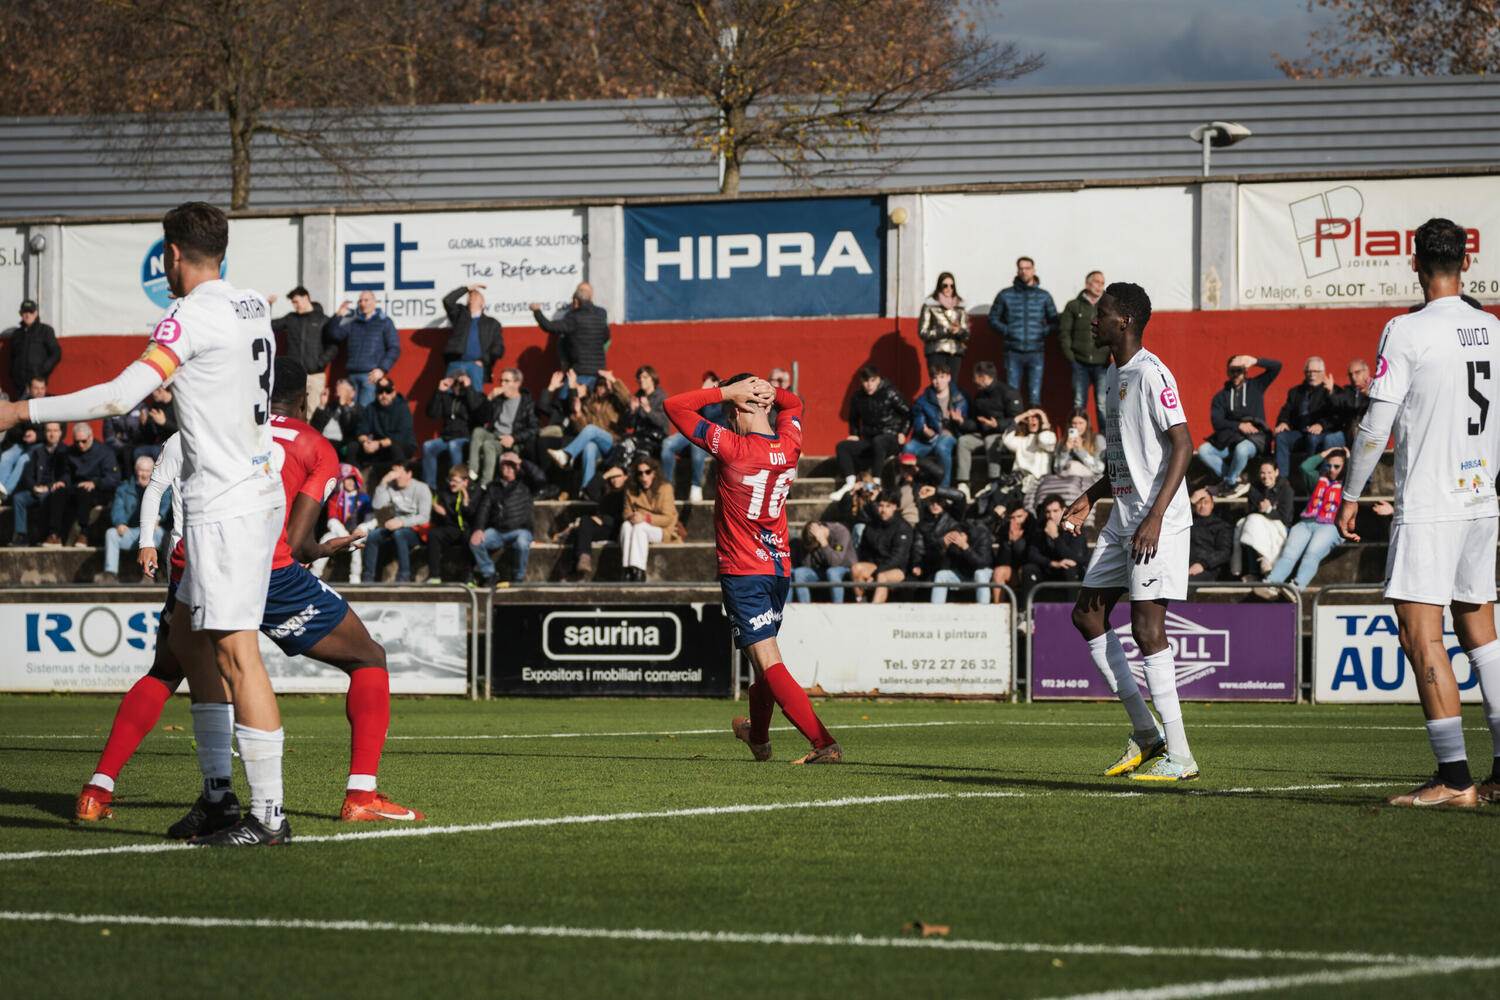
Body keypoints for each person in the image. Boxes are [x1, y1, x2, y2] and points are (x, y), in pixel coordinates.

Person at [0, 202, 290, 846]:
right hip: (244, 491)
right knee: (187, 640)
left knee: (237, 653)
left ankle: (270, 816)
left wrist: (21, 411)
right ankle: (218, 796)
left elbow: (118, 396)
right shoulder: (250, 304)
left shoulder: (188, 316)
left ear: (173, 255)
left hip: (226, 503)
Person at [73, 363, 422, 828]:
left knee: (165, 672)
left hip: (195, 562)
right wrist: (329, 547)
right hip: (267, 571)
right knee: (368, 658)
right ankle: (358, 796)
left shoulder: (219, 425)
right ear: (304, 401)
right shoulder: (315, 445)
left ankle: (97, 791)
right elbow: (298, 545)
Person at [1337, 219, 1500, 807]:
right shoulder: (1493, 328)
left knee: (1419, 633)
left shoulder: (1405, 329)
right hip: (1481, 499)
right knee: (1481, 633)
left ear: (1414, 262)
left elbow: (1375, 425)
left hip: (1431, 504)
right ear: (1466, 262)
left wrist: (1350, 494)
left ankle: (1454, 779)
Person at [663, 373, 843, 764]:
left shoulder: (731, 447)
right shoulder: (790, 443)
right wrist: (774, 393)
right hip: (778, 569)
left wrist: (725, 391)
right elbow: (795, 405)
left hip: (744, 570)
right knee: (762, 665)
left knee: (768, 662)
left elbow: (673, 406)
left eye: (730, 407)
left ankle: (823, 742)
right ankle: (757, 738)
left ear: (737, 408)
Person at [1063, 281, 1199, 782]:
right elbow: (1128, 457)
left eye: (1100, 313)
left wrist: (1156, 516)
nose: (1092, 320)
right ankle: (1147, 736)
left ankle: (1181, 756)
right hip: (1123, 517)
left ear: (1124, 321)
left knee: (1147, 630)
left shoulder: (1150, 372)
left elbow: (1183, 445)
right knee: (1087, 615)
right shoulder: (1111, 374)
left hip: (1155, 522)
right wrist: (1091, 495)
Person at [1263, 448, 1347, 590]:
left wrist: (1348, 458)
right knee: (1289, 553)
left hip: (1331, 525)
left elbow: (1357, 473)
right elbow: (1305, 467)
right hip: (1306, 523)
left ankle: (1297, 585)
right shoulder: (1318, 480)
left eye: (1337, 466)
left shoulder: (1349, 484)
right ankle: (1272, 583)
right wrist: (1326, 453)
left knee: (1312, 553)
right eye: (1329, 465)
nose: (1332, 469)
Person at [1198, 354, 1280, 498]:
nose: (1235, 374)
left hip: (1255, 439)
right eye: (1232, 371)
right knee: (1203, 450)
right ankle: (1236, 480)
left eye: (1239, 370)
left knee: (1242, 449)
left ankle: (1229, 483)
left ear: (1245, 371)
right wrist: (1238, 425)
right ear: (1227, 372)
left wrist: (1255, 361)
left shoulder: (1256, 386)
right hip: (1230, 439)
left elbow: (1276, 367)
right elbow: (1217, 422)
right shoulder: (1221, 396)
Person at [831, 364, 910, 500]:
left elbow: (908, 413)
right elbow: (853, 418)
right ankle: (850, 482)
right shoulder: (858, 397)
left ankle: (876, 481)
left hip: (890, 439)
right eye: (866, 381)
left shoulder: (890, 393)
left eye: (872, 380)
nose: (869, 385)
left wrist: (903, 432)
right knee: (842, 446)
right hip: (870, 441)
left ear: (878, 379)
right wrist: (855, 434)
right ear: (861, 382)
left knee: (879, 441)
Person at [987, 256, 1059, 407]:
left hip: (1036, 352)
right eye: (1021, 268)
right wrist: (1008, 331)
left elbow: (1055, 322)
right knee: (1012, 396)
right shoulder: (1005, 294)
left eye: (1027, 268)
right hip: (1012, 352)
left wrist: (1041, 332)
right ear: (1017, 271)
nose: (1024, 271)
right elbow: (992, 319)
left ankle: (1034, 422)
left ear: (1034, 270)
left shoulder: (1044, 296)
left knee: (1034, 397)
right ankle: (1014, 422)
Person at [468, 451, 546, 586]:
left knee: (522, 544)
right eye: (505, 464)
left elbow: (541, 478)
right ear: (500, 467)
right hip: (498, 530)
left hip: (521, 529)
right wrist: (479, 529)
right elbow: (484, 509)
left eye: (511, 465)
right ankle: (489, 574)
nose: (508, 468)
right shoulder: (493, 487)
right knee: (475, 542)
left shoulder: (525, 484)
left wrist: (522, 462)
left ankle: (518, 577)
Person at [954, 360, 1023, 493]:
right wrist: (962, 422)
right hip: (984, 433)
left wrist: (997, 424)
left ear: (984, 377)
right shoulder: (980, 395)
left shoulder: (1008, 392)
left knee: (990, 440)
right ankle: (963, 483)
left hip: (1004, 436)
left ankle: (994, 481)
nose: (973, 381)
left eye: (975, 378)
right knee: (963, 441)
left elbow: (1017, 420)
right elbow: (977, 422)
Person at [98, 454, 170, 583]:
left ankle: (149, 574)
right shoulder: (124, 488)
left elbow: (166, 503)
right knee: (111, 534)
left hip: (153, 531)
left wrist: (158, 517)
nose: (144, 474)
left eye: (148, 471)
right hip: (132, 532)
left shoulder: (160, 486)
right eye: (141, 470)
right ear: (136, 471)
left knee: (156, 532)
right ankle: (110, 574)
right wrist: (120, 522)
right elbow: (117, 508)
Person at [269, 286, 335, 419]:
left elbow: (333, 346)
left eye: (296, 301)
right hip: (295, 375)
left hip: (315, 375)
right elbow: (270, 324)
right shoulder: (291, 319)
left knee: (312, 413)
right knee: (291, 412)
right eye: (292, 302)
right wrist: (268, 306)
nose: (294, 305)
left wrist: (319, 363)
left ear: (306, 298)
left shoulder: (323, 320)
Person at [902, 357, 970, 486]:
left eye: (942, 377)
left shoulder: (960, 396)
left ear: (948, 377)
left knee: (942, 446)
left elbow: (968, 420)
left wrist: (960, 420)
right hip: (929, 438)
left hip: (950, 436)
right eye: (934, 378)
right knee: (908, 448)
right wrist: (924, 430)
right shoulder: (923, 399)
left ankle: (943, 488)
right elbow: (918, 420)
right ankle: (911, 486)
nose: (938, 381)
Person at [361, 458, 431, 583]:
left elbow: (424, 517)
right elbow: (377, 505)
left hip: (416, 530)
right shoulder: (391, 486)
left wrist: (402, 522)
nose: (395, 476)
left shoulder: (422, 488)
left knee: (400, 534)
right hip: (395, 527)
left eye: (399, 472)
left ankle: (404, 575)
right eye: (393, 472)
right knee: (372, 536)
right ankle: (368, 577)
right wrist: (383, 482)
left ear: (409, 473)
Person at [327, 290, 401, 407]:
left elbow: (394, 348)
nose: (363, 303)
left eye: (366, 300)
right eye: (360, 301)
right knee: (350, 412)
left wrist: (382, 369)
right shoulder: (353, 322)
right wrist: (338, 316)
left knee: (365, 412)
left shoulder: (385, 322)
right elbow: (334, 335)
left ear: (374, 302)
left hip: (370, 377)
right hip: (352, 376)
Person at [555, 464, 627, 580]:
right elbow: (590, 490)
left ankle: (576, 572)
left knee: (584, 527)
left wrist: (603, 520)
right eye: (612, 477)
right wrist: (606, 475)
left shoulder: (629, 493)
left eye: (618, 476)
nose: (615, 479)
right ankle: (582, 561)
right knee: (582, 526)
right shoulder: (606, 492)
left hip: (618, 529)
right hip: (604, 528)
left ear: (625, 477)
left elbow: (625, 516)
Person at [1058, 270, 1111, 429]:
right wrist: (1071, 356)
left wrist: (1109, 355)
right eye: (1096, 282)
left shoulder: (1108, 306)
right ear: (1087, 284)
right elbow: (1064, 333)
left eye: (1102, 283)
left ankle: (1104, 440)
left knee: (1102, 403)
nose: (1100, 286)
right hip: (1079, 362)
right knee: (1079, 402)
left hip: (1102, 363)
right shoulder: (1074, 306)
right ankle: (1077, 438)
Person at [469, 368, 539, 488]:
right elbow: (481, 418)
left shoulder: (527, 403)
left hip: (511, 441)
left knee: (488, 445)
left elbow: (534, 428)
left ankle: (486, 484)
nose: (502, 384)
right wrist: (489, 398)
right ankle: (472, 472)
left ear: (517, 383)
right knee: (478, 431)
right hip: (495, 434)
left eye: (507, 381)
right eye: (501, 381)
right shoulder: (499, 399)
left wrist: (513, 438)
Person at [531, 282, 609, 389]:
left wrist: (537, 311)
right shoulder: (600, 317)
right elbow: (606, 337)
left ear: (576, 302)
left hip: (579, 372)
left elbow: (549, 326)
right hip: (598, 372)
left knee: (566, 397)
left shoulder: (573, 318)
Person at [1273, 356, 1341, 478]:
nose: (1311, 374)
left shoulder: (1331, 390)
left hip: (1321, 434)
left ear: (1323, 373)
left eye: (1315, 371)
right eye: (1308, 371)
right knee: (1281, 437)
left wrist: (1321, 425)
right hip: (1300, 433)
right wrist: (1283, 422)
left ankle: (1313, 478)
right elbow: (1286, 410)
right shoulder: (1296, 392)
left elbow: (1336, 416)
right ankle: (1282, 480)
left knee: (1312, 438)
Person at [660, 372, 723, 502]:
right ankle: (667, 488)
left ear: (716, 382)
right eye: (704, 381)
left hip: (713, 439)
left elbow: (711, 416)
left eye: (710, 380)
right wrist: (703, 395)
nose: (705, 384)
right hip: (696, 432)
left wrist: (708, 393)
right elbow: (690, 414)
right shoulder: (704, 397)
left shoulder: (724, 398)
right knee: (667, 443)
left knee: (696, 443)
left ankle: (696, 486)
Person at [618, 454, 678, 582]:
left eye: (647, 472)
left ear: (654, 473)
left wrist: (645, 518)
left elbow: (667, 518)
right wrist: (633, 516)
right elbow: (626, 513)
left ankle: (639, 570)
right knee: (626, 526)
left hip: (661, 529)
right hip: (636, 525)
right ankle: (627, 570)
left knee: (639, 528)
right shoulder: (631, 489)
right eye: (640, 473)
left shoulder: (665, 488)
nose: (644, 476)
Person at [421, 368, 485, 487]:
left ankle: (456, 483)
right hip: (447, 437)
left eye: (461, 384)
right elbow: (432, 414)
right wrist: (439, 391)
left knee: (453, 445)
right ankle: (429, 488)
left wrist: (469, 389)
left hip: (466, 438)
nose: (458, 387)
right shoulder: (448, 397)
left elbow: (479, 413)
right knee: (428, 446)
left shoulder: (475, 397)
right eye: (455, 384)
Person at [1232, 458, 1294, 580]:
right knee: (1250, 526)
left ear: (1276, 472)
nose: (1266, 477)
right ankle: (1257, 567)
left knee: (1255, 525)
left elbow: (1286, 517)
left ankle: (1264, 565)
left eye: (1269, 472)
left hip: (1279, 525)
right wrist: (1262, 509)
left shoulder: (1286, 489)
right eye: (1262, 473)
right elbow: (1251, 511)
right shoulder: (1255, 488)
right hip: (1258, 524)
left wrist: (1269, 510)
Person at [312, 463, 372, 581]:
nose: (350, 483)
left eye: (352, 479)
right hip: (340, 532)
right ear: (342, 481)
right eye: (347, 479)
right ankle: (314, 574)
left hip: (358, 532)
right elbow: (332, 520)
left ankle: (355, 577)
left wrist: (362, 528)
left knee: (358, 544)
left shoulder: (363, 497)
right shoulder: (335, 498)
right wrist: (345, 536)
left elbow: (371, 518)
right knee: (325, 539)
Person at [851, 490, 912, 604]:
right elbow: (865, 551)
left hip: (898, 569)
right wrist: (872, 569)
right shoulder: (872, 525)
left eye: (887, 506)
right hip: (876, 565)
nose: (883, 510)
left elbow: (898, 558)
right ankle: (861, 603)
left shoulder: (903, 527)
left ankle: (875, 609)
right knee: (856, 568)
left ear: (894, 507)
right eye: (880, 506)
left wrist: (874, 574)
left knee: (881, 577)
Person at [12, 421, 68, 545]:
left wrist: (49, 487)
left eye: (55, 431)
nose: (52, 434)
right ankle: (21, 535)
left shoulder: (65, 451)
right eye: (49, 431)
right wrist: (34, 487)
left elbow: (67, 474)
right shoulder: (38, 452)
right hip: (37, 489)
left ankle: (44, 535)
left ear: (60, 433)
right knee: (18, 498)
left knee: (45, 498)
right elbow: (28, 475)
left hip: (53, 490)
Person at [442, 284, 505, 388]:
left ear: (483, 302)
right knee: (450, 393)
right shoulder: (459, 315)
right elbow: (448, 301)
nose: (473, 296)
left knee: (475, 395)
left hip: (477, 366)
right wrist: (467, 289)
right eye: (470, 295)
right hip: (457, 362)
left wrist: (483, 361)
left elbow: (498, 347)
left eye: (477, 295)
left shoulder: (492, 323)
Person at [425, 462, 478, 584]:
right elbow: (439, 519)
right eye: (450, 480)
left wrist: (466, 503)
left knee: (469, 537)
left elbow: (474, 517)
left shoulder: (475, 491)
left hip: (468, 528)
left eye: (456, 481)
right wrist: (442, 514)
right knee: (434, 534)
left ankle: (469, 576)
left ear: (465, 482)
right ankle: (434, 575)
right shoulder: (444, 492)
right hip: (451, 527)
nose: (451, 484)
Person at [918, 271, 970, 378]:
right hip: (936, 350)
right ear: (939, 287)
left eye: (952, 286)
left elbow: (967, 333)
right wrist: (946, 331)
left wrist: (958, 331)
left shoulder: (960, 307)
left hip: (955, 352)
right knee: (938, 382)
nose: (948, 289)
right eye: (945, 286)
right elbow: (923, 332)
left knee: (952, 383)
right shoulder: (930, 306)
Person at [356, 377, 416, 468]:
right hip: (378, 445)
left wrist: (379, 444)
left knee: (395, 447)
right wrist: (366, 442)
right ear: (376, 394)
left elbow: (402, 435)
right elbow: (361, 430)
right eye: (380, 392)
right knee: (353, 447)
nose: (384, 395)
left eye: (388, 391)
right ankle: (352, 475)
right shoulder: (371, 408)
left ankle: (399, 473)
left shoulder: (403, 407)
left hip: (402, 444)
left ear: (393, 393)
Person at [1029, 492, 1087, 585]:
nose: (1051, 516)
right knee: (1029, 569)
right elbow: (1032, 554)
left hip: (1071, 569)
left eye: (1055, 511)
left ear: (1063, 510)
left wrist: (1055, 537)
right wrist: (1053, 563)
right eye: (1048, 512)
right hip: (1050, 567)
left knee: (1070, 568)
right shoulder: (1041, 526)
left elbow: (1076, 557)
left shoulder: (1074, 526)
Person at [5, 298, 61, 395]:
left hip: (36, 385)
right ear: (20, 314)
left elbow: (56, 353)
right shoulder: (17, 334)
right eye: (25, 312)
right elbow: (13, 357)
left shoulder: (45, 330)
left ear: (36, 313)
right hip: (19, 385)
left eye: (30, 312)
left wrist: (41, 372)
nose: (28, 315)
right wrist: (13, 375)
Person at [792, 520, 854, 603]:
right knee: (799, 573)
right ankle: (805, 608)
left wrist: (823, 542)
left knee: (832, 572)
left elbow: (835, 562)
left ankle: (838, 607)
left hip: (844, 568)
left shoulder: (840, 531)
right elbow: (807, 564)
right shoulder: (810, 540)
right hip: (823, 569)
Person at [1000, 408, 1056, 489]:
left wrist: (1043, 416)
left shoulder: (1050, 436)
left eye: (1035, 417)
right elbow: (1007, 440)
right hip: (1020, 481)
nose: (1031, 420)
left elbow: (1045, 440)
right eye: (1028, 419)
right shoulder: (1022, 440)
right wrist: (1020, 417)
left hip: (1040, 483)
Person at [310, 377, 364, 461]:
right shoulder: (331, 406)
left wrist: (343, 406)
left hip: (340, 442)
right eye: (337, 391)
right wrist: (322, 405)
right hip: (323, 439)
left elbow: (349, 429)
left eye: (342, 391)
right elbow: (315, 426)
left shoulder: (358, 409)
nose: (338, 395)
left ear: (352, 393)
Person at [626, 365, 671, 460]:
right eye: (639, 378)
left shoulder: (662, 398)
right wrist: (633, 411)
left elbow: (663, 424)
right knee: (623, 447)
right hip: (638, 438)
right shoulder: (637, 397)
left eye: (645, 377)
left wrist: (648, 410)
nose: (641, 380)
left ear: (653, 379)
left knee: (641, 455)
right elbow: (629, 425)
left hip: (654, 440)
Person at [1187, 487, 1231, 581]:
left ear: (1212, 505)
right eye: (1199, 502)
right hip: (1184, 566)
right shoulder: (1187, 523)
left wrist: (1203, 564)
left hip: (1208, 569)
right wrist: (1190, 501)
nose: (1202, 506)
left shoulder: (1221, 526)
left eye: (1206, 502)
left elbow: (1224, 552)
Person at [1331, 358, 1373, 444]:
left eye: (1357, 372)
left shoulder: (1377, 387)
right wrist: (1330, 392)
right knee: (1331, 439)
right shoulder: (1348, 390)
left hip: (1371, 432)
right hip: (1349, 431)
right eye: (1350, 374)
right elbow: (1338, 405)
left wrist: (1370, 394)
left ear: (1367, 372)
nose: (1353, 377)